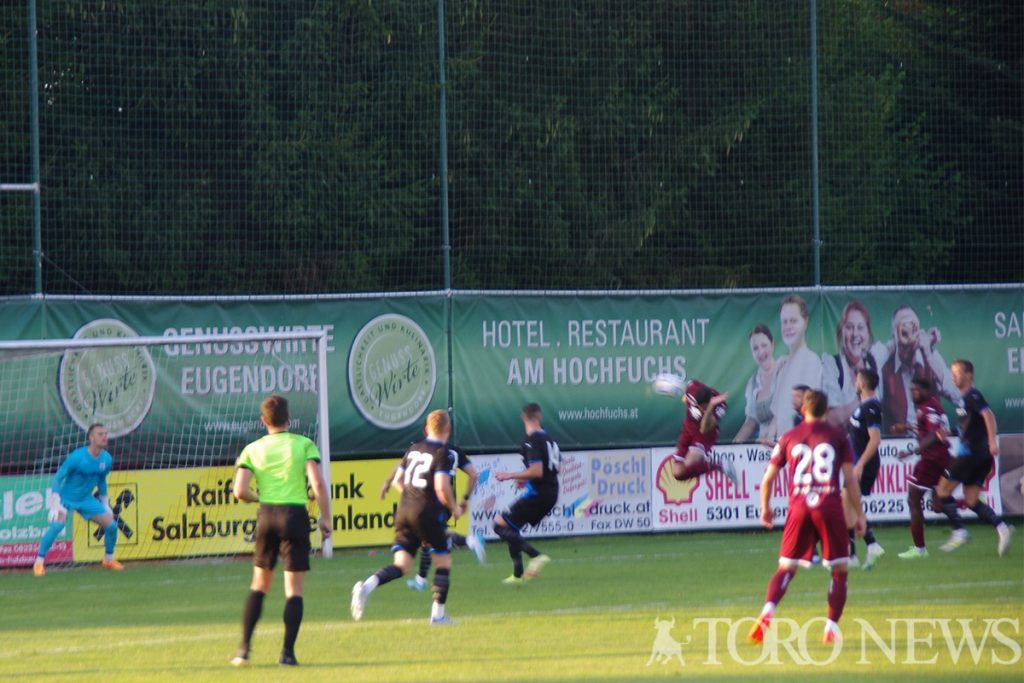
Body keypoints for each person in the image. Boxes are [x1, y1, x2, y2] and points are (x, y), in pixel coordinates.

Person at [748, 390, 866, 645]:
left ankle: (768, 611)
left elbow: (768, 479)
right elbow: (851, 480)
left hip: (799, 507)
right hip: (830, 506)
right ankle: (830, 629)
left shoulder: (789, 437)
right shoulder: (838, 436)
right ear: (827, 410)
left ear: (803, 410)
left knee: (786, 567)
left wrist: (764, 508)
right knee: (839, 570)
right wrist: (859, 514)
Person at [230, 395, 332, 667]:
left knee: (259, 585)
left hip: (267, 516)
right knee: (293, 590)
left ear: (264, 421)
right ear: (290, 418)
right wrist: (325, 519)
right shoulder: (303, 444)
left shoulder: (253, 448)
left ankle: (243, 650)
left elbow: (239, 491)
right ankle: (287, 654)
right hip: (295, 515)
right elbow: (319, 485)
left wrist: (258, 498)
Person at [352, 409, 461, 624]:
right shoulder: (444, 453)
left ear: (427, 428)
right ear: (448, 429)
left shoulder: (413, 449)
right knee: (444, 561)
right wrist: (454, 506)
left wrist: (413, 498)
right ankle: (438, 615)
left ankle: (366, 586)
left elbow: (397, 482)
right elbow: (441, 487)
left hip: (404, 510)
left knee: (402, 565)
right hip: (427, 512)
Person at [378, 443, 487, 590]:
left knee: (432, 538)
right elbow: (473, 474)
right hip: (446, 499)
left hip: (432, 500)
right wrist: (465, 498)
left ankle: (470, 540)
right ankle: (421, 579)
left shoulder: (424, 448)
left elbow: (402, 465)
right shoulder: (454, 450)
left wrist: (392, 483)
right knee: (428, 540)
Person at [934, 359, 1014, 556]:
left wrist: (992, 441)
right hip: (979, 456)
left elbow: (988, 415)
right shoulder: (963, 400)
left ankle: (960, 531)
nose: (953, 376)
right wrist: (950, 431)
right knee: (971, 500)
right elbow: (967, 426)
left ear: (968, 375)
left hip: (970, 455)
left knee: (941, 491)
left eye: (957, 372)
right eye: (952, 373)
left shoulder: (973, 395)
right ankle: (1002, 527)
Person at [33, 423, 124, 576]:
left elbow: (101, 481)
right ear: (91, 437)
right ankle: (39, 563)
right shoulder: (77, 457)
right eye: (100, 434)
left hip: (86, 500)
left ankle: (108, 559)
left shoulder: (106, 459)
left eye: (106, 434)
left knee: (112, 526)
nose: (104, 437)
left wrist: (104, 503)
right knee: (57, 526)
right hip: (65, 498)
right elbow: (59, 477)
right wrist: (55, 500)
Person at [493, 403, 561, 585]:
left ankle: (536, 556)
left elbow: (537, 471)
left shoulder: (532, 440)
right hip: (550, 491)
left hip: (538, 494)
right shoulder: (549, 439)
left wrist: (511, 475)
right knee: (511, 528)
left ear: (524, 417)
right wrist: (525, 479)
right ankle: (517, 575)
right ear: (539, 416)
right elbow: (555, 469)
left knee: (499, 526)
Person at [880, 305, 960, 435]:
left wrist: (928, 353)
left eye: (912, 325)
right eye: (902, 326)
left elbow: (959, 397)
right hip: (896, 446)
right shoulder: (884, 368)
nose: (908, 330)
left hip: (931, 440)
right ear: (893, 334)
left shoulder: (931, 359)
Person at [897, 378, 953, 559]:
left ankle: (919, 549)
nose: (913, 393)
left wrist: (912, 450)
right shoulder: (932, 405)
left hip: (931, 458)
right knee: (937, 505)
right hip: (941, 456)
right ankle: (971, 506)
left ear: (926, 390)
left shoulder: (927, 408)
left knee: (913, 499)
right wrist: (907, 427)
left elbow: (936, 433)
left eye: (916, 390)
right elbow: (930, 429)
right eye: (911, 389)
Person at [763, 295, 822, 443]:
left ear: (805, 322)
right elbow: (777, 416)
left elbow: (812, 412)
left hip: (802, 446)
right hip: (785, 449)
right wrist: (767, 437)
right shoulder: (783, 366)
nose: (788, 326)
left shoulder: (811, 361)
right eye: (785, 322)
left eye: (793, 321)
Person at [822, 300, 885, 428]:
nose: (855, 334)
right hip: (843, 443)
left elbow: (897, 344)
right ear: (841, 332)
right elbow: (833, 419)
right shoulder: (832, 365)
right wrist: (865, 396)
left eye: (860, 327)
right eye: (849, 327)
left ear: (868, 333)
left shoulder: (875, 360)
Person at [845, 369, 885, 569]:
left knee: (847, 505)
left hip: (863, 465)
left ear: (862, 383)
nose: (855, 381)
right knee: (849, 506)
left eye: (857, 379)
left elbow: (875, 439)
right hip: (855, 464)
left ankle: (859, 551)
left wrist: (859, 464)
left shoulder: (871, 406)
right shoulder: (863, 406)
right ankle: (867, 547)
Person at [670, 379, 738, 485]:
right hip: (687, 431)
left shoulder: (721, 406)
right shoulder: (693, 388)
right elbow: (685, 398)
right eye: (697, 406)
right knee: (678, 473)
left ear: (708, 403)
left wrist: (710, 407)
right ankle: (718, 465)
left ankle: (720, 465)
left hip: (705, 436)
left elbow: (704, 429)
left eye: (702, 407)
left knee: (688, 465)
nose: (699, 409)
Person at [733, 324, 777, 444]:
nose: (760, 351)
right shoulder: (752, 383)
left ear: (772, 345)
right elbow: (751, 423)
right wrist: (732, 448)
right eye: (755, 348)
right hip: (762, 449)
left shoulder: (785, 372)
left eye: (764, 345)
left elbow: (787, 411)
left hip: (788, 446)